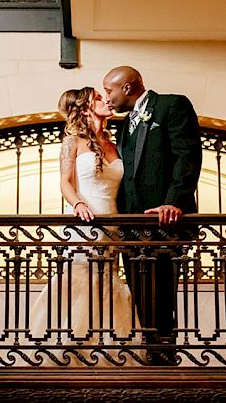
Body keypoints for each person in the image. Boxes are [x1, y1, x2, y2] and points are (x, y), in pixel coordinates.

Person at [29, 86, 143, 367]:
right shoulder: (73, 141)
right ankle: (71, 353)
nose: (106, 99)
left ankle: (106, 353)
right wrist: (78, 205)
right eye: (97, 97)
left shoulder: (115, 143)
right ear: (83, 108)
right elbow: (65, 182)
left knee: (107, 284)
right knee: (81, 282)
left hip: (113, 222)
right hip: (85, 221)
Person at [103, 66, 202, 364]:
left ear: (128, 88)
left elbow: (188, 154)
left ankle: (165, 355)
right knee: (139, 292)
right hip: (131, 225)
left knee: (162, 293)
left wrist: (175, 202)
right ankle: (150, 351)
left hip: (164, 222)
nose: (107, 98)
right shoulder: (122, 125)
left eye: (109, 91)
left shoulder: (172, 105)